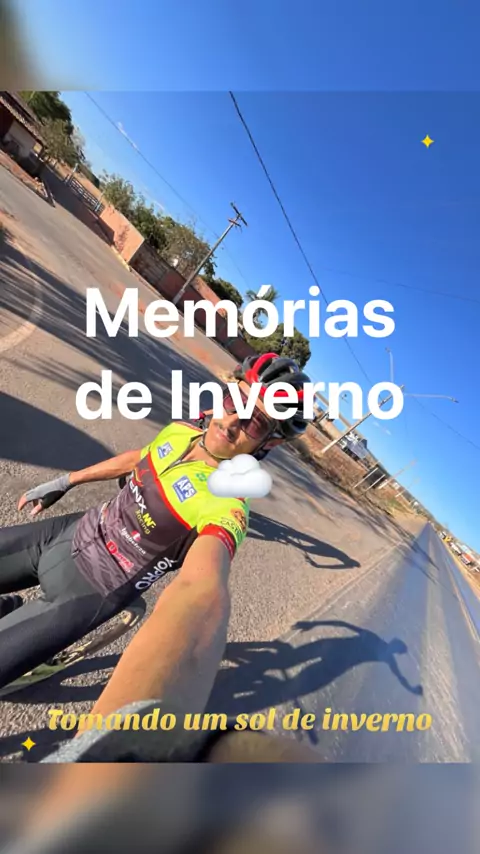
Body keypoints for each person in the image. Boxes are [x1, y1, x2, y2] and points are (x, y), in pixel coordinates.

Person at [0, 353, 311, 689]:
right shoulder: (181, 431)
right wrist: (67, 481)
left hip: (92, 589)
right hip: (67, 534)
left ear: (271, 441)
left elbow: (204, 581)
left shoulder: (227, 503)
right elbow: (140, 457)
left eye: (255, 422)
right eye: (234, 401)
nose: (231, 422)